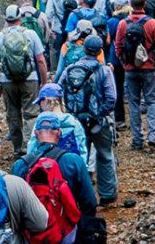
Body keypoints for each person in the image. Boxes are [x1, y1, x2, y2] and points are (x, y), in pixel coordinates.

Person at [12, 112, 97, 243]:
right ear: (59, 133)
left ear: (36, 134)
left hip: (31, 235)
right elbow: (89, 201)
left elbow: (14, 206)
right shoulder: (74, 161)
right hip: (66, 233)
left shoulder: (20, 165)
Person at [58, 32, 119, 203]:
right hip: (98, 122)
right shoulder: (104, 71)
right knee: (105, 155)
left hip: (76, 121)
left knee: (77, 158)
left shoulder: (70, 69)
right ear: (100, 51)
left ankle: (79, 196)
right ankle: (107, 194)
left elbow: (60, 89)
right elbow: (111, 98)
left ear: (84, 49)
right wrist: (100, 113)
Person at [112, 0, 155, 151]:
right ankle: (154, 136)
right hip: (149, 67)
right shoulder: (151, 23)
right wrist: (152, 53)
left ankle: (137, 140)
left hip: (130, 69)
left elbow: (118, 47)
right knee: (152, 101)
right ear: (144, 4)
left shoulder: (123, 24)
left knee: (134, 104)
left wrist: (125, 63)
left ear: (130, 5)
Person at [0, 4, 50, 140]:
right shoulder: (31, 34)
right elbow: (41, 60)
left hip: (7, 81)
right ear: (20, 18)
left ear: (6, 20)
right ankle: (29, 147)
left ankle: (17, 148)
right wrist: (44, 83)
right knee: (31, 114)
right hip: (30, 79)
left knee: (13, 114)